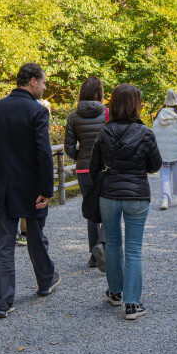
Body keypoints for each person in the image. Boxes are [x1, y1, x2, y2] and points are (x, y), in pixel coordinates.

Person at [0, 63, 61, 319]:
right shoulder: (36, 112)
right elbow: (44, 153)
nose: (45, 87)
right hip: (32, 187)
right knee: (35, 237)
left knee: (3, 246)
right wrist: (47, 189)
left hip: (3, 185)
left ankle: (3, 302)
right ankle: (45, 281)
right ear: (33, 81)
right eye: (44, 82)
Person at [90, 84, 162, 320]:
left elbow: (93, 169)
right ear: (136, 104)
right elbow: (155, 165)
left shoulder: (104, 133)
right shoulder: (146, 133)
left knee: (112, 244)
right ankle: (132, 304)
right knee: (133, 249)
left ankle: (115, 293)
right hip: (137, 196)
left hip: (109, 195)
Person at [64, 76, 108, 270]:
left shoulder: (73, 116)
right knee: (109, 208)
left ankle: (93, 255)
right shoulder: (107, 113)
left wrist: (81, 157)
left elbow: (68, 148)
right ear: (99, 93)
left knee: (91, 211)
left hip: (83, 169)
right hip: (105, 168)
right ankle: (102, 245)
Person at [151, 89, 177, 210]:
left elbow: (153, 133)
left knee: (164, 175)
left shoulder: (158, 118)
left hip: (162, 152)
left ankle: (164, 199)